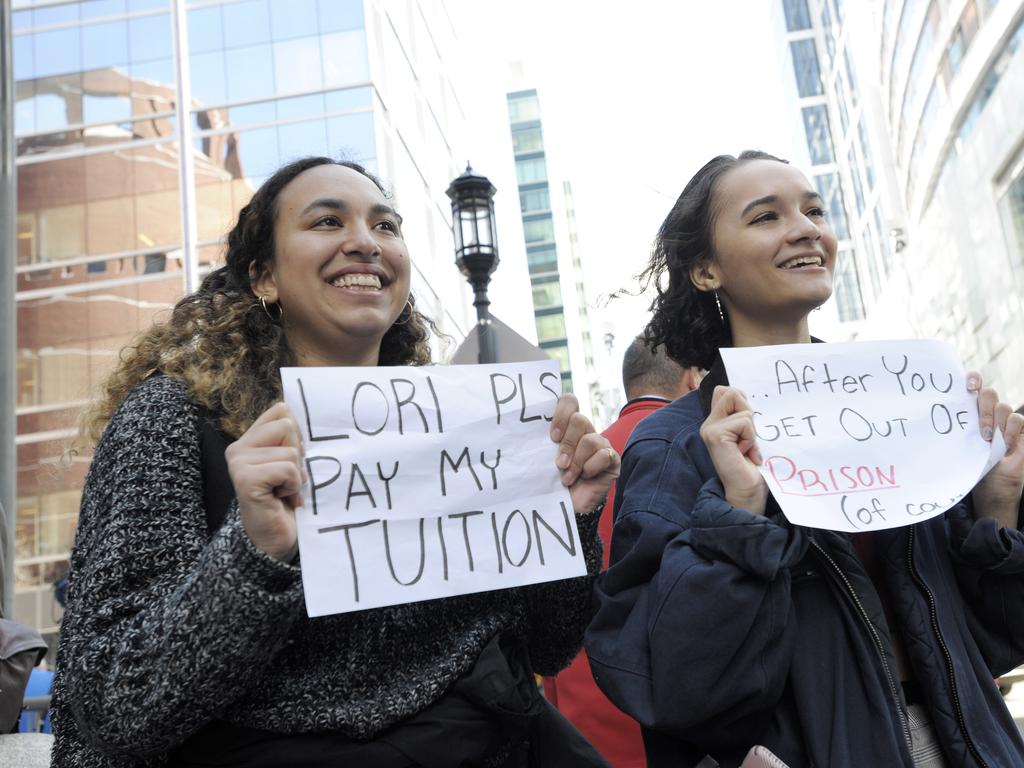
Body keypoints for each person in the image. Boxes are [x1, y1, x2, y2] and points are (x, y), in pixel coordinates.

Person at [50, 157, 620, 768]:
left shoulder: (466, 427)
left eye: (386, 226)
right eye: (327, 221)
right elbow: (113, 705)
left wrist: (569, 520)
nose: (364, 243)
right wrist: (253, 555)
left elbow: (549, 647)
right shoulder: (172, 419)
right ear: (263, 275)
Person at [585, 151, 1024, 768]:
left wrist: (998, 507)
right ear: (706, 271)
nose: (805, 228)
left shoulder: (902, 407)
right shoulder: (674, 444)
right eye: (766, 217)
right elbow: (671, 684)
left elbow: (995, 644)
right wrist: (739, 518)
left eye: (814, 210)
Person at [544, 336, 698, 767]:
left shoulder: (570, 468)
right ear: (691, 379)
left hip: (581, 716)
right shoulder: (701, 451)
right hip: (672, 714)